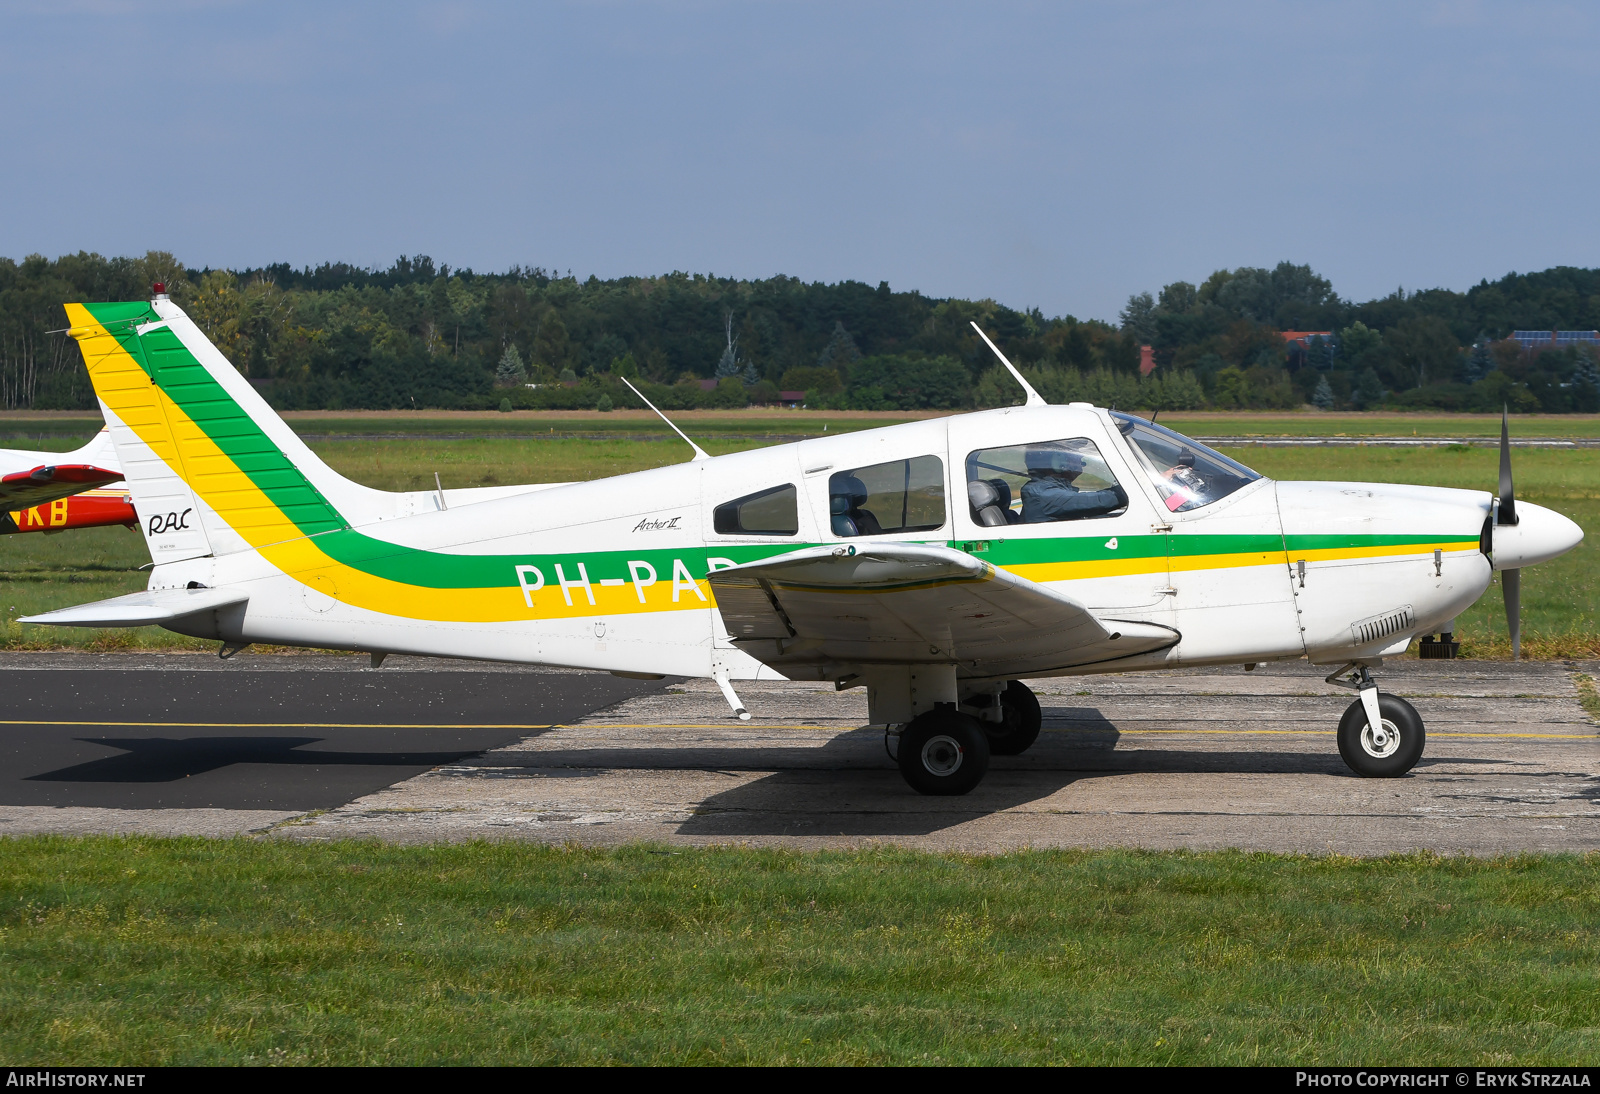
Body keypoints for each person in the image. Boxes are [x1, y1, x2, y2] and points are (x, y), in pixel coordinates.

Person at [1020, 448, 1127, 523]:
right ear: (1058, 461)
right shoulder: (1042, 495)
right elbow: (1097, 501)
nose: (1081, 457)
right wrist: (1125, 492)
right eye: (1073, 453)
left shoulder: (1048, 490)